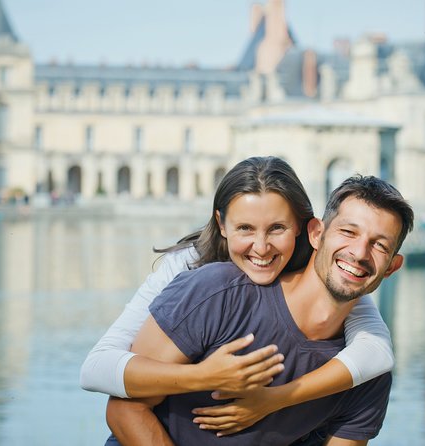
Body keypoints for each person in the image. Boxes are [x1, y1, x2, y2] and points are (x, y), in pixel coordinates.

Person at [81, 157, 394, 436]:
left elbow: (375, 349)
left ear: (303, 229)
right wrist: (203, 376)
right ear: (222, 224)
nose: (260, 247)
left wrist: (274, 400)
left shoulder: (341, 276)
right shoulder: (194, 272)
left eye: (277, 228)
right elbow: (98, 371)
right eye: (245, 228)